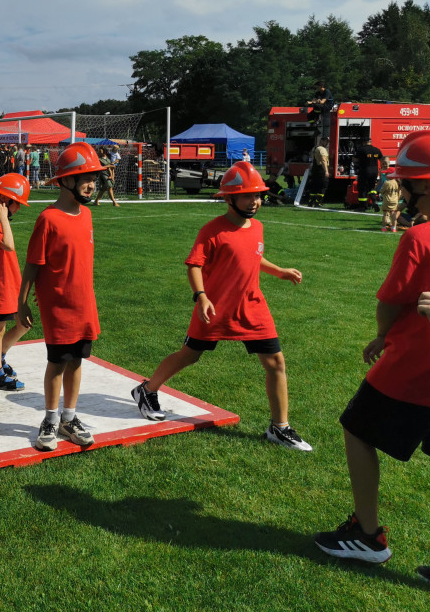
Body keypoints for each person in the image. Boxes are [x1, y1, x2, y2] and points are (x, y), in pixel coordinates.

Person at [313, 131, 430, 604]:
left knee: (356, 429)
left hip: (416, 368)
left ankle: (368, 534)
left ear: (429, 186)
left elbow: (390, 302)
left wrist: (384, 334)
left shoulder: (420, 236)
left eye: (409, 181)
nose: (404, 187)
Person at [131, 161, 312, 451]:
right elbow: (194, 265)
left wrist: (279, 271)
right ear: (229, 199)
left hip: (252, 308)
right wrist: (201, 296)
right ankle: (147, 389)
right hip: (214, 308)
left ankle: (280, 427)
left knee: (276, 362)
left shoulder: (258, 226)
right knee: (190, 355)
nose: (255, 202)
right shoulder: (213, 231)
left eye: (258, 195)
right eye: (248, 196)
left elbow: (251, 257)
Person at [18, 142, 104, 451]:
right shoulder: (49, 219)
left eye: (93, 177)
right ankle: (51, 420)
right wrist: (22, 301)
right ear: (66, 180)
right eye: (84, 177)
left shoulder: (87, 216)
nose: (91, 184)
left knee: (77, 361)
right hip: (57, 307)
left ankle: (69, 418)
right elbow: (32, 265)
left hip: (84, 305)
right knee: (56, 363)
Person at [0, 173, 32, 390]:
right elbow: (9, 245)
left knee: (24, 324)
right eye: (16, 204)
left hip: (12, 282)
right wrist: (2, 217)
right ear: (5, 201)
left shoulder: (0, 221)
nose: (18, 209)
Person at [353, 136, 383, 210]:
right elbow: (382, 160)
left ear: (364, 142)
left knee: (362, 188)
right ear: (370, 142)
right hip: (375, 171)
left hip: (365, 171)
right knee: (372, 188)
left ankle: (363, 207)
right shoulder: (376, 150)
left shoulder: (361, 149)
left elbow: (354, 160)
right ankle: (375, 201)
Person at [305, 136, 330, 207]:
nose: (327, 143)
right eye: (326, 141)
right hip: (321, 169)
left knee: (314, 186)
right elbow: (323, 160)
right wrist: (326, 171)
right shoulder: (322, 149)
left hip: (314, 168)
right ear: (321, 141)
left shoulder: (315, 148)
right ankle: (318, 202)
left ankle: (310, 202)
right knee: (323, 186)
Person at [379, 162, 400, 232]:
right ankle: (393, 227)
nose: (385, 174)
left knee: (385, 214)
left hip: (387, 200)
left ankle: (384, 227)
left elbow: (382, 191)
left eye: (387, 173)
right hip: (395, 201)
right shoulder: (397, 183)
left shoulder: (386, 183)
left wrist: (381, 193)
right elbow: (399, 192)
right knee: (393, 215)